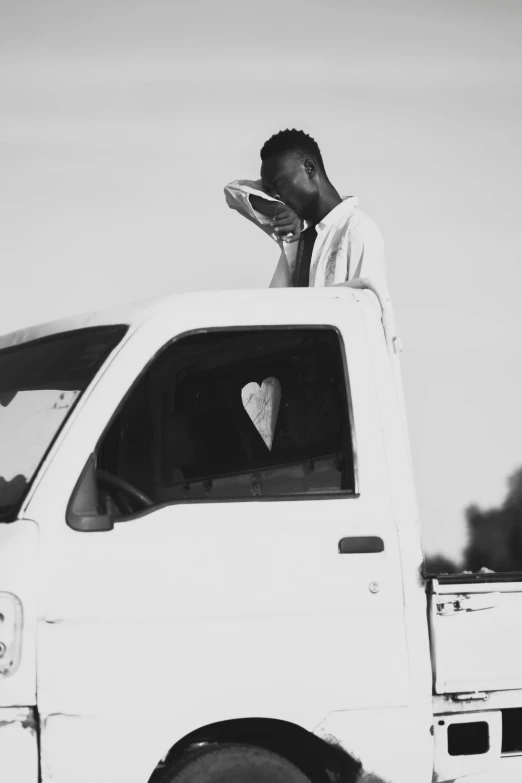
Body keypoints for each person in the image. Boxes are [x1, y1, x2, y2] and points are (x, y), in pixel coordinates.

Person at [224, 129, 389, 293]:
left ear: (309, 168)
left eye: (278, 184)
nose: (274, 195)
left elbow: (368, 310)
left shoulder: (356, 229)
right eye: (268, 191)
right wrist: (276, 207)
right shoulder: (293, 233)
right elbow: (232, 191)